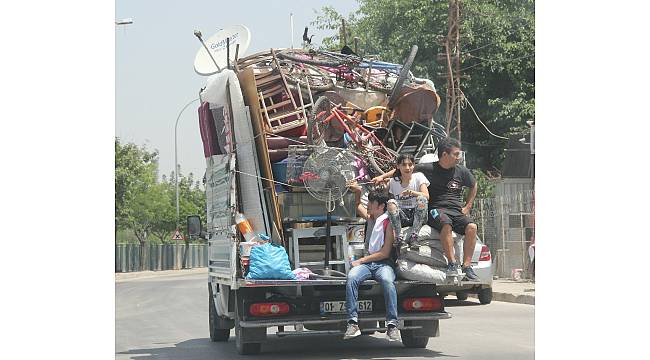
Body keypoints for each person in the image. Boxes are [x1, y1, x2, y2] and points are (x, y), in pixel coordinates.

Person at [372, 137, 480, 281]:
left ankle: (466, 267)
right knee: (446, 225)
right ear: (444, 155)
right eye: (455, 154)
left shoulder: (462, 171)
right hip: (437, 210)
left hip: (456, 210)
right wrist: (381, 177)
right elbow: (403, 170)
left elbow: (474, 185)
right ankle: (452, 264)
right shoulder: (429, 168)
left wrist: (468, 206)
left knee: (472, 227)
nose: (458, 157)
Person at [343, 190, 401, 342]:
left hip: (383, 264)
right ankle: (352, 322)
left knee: (388, 282)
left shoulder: (388, 223)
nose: (367, 205)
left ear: (381, 206)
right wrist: (357, 192)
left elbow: (385, 253)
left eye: (371, 202)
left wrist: (361, 261)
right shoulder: (371, 219)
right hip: (369, 263)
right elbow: (357, 205)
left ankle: (392, 325)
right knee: (352, 278)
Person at [385, 153, 430, 246]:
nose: (407, 168)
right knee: (390, 203)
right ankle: (399, 237)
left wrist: (412, 193)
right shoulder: (393, 182)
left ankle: (414, 235)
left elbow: (426, 196)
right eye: (404, 165)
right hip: (403, 216)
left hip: (418, 214)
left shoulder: (419, 177)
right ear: (398, 166)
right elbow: (392, 205)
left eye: (410, 164)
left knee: (422, 199)